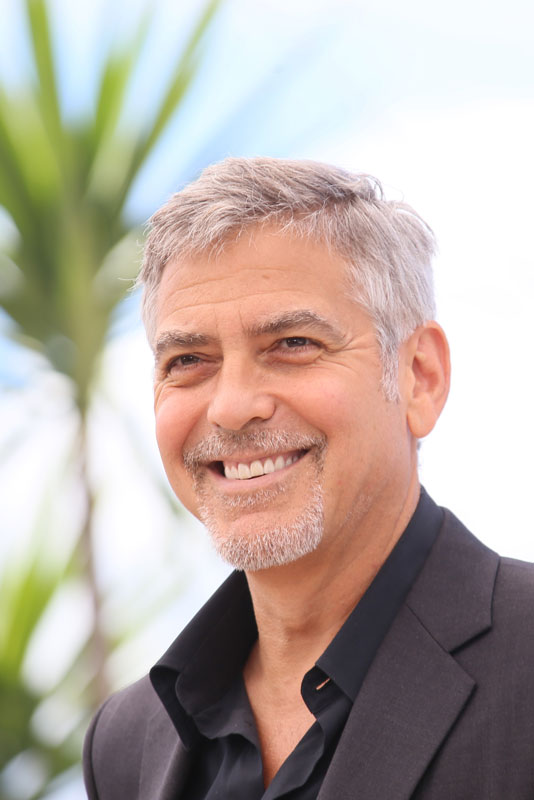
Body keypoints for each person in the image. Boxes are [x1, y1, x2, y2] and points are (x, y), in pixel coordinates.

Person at [83, 157, 534, 799]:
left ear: (419, 377)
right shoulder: (126, 743)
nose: (233, 405)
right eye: (188, 360)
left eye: (293, 344)